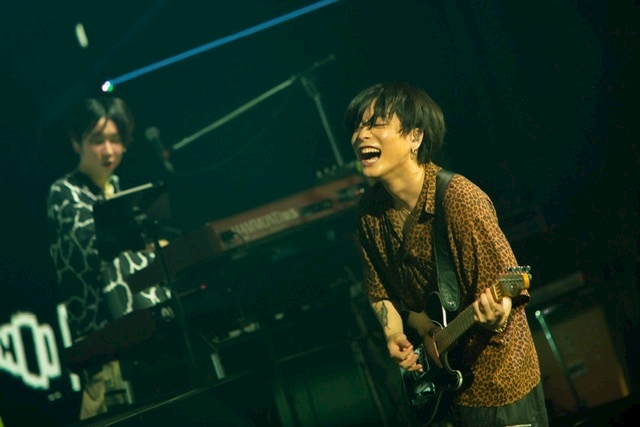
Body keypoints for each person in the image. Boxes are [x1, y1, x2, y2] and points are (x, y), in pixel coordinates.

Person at [345, 82, 548, 427]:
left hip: (497, 383)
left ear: (415, 137)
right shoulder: (369, 212)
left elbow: (508, 288)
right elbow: (379, 291)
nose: (361, 135)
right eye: (357, 127)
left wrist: (496, 313)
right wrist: (394, 334)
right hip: (440, 392)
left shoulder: (459, 199)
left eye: (376, 124)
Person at [47, 96, 170, 420]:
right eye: (97, 140)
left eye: (116, 140)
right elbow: (93, 250)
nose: (108, 150)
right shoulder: (64, 192)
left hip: (143, 335)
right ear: (77, 142)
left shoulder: (117, 189)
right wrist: (145, 246)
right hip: (102, 344)